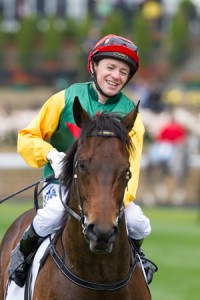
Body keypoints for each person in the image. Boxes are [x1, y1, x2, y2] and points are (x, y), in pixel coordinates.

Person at [8, 34, 156, 287]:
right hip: (61, 184)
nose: (115, 76)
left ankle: (137, 258)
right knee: (51, 215)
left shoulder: (132, 115)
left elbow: (130, 166)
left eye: (123, 71)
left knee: (139, 223)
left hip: (110, 192)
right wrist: (50, 154)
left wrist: (120, 202)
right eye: (110, 67)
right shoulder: (64, 98)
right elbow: (27, 137)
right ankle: (20, 257)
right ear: (94, 67)